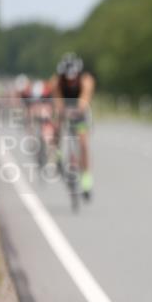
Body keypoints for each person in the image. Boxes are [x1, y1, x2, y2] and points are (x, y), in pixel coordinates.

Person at [49, 52, 97, 200]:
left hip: (80, 111)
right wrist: (61, 112)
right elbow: (57, 101)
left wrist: (78, 110)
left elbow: (84, 99)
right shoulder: (56, 82)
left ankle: (86, 181)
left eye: (73, 78)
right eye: (67, 79)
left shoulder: (86, 80)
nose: (70, 82)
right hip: (64, 108)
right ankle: (57, 155)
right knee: (56, 125)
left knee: (83, 143)